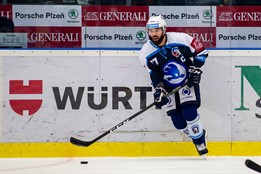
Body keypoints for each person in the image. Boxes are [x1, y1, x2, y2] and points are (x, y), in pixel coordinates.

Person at [139, 15, 209, 158]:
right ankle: (199, 133)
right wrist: (159, 89)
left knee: (190, 113)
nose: (153, 34)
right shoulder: (145, 53)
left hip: (186, 81)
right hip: (168, 87)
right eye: (150, 31)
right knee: (178, 123)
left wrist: (195, 68)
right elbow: (155, 75)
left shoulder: (181, 39)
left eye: (156, 30)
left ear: (164, 29)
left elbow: (202, 51)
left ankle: (200, 142)